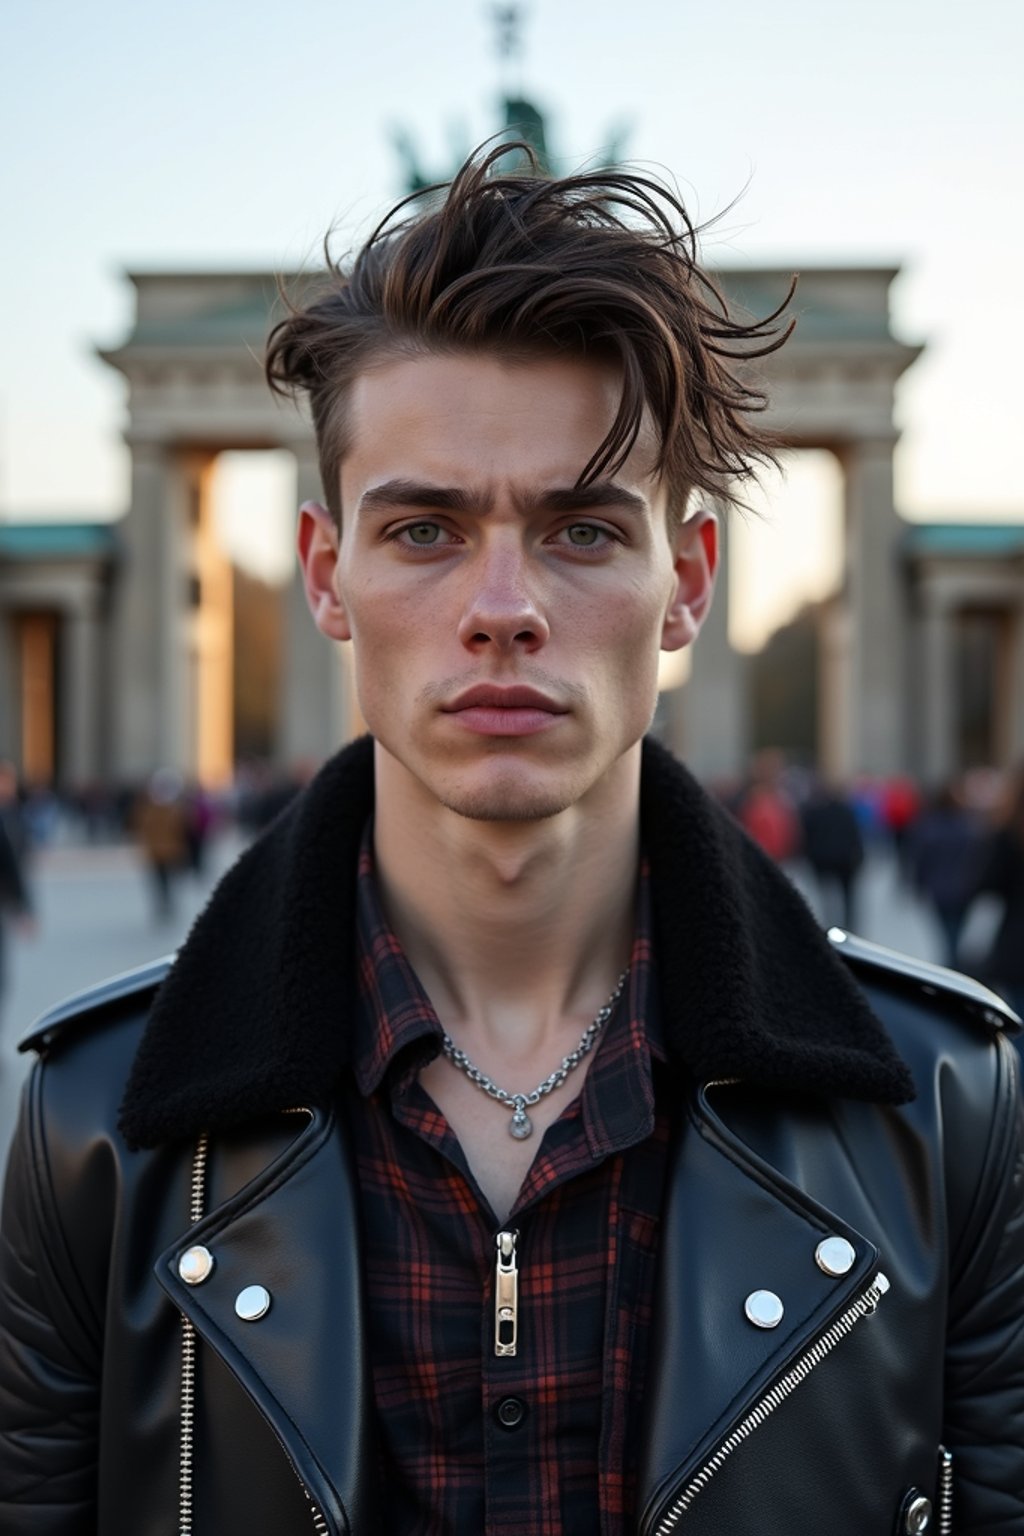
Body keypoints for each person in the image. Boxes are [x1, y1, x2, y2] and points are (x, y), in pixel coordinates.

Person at [1, 145, 1022, 1536]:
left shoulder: (951, 1108)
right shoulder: (92, 1133)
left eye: (584, 529)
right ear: (324, 575)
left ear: (689, 583)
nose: (502, 607)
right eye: (422, 528)